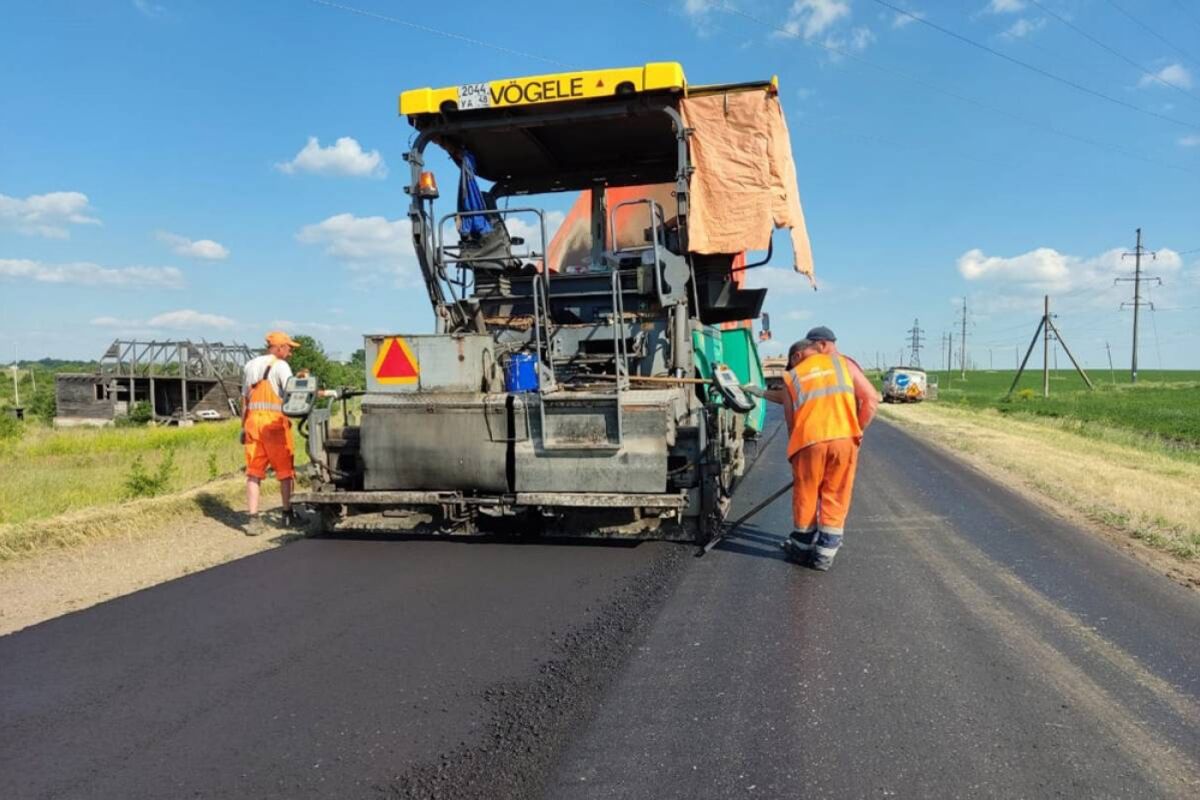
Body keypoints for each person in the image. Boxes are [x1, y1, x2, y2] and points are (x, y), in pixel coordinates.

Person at [760, 326, 879, 570]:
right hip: (844, 439)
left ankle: (802, 546)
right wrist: (857, 429)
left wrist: (795, 449)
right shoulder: (844, 365)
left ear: (797, 356)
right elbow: (871, 399)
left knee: (807, 492)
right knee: (836, 493)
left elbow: (791, 418)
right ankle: (825, 553)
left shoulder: (792, 376)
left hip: (808, 442)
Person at [241, 331, 300, 535]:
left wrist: (243, 427)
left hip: (252, 423)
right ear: (280, 347)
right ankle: (287, 514)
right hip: (274, 424)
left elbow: (245, 400)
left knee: (254, 472)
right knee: (285, 472)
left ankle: (253, 519)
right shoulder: (281, 366)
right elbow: (293, 392)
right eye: (289, 348)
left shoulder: (250, 365)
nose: (290, 352)